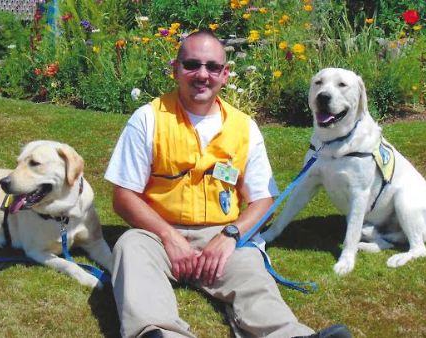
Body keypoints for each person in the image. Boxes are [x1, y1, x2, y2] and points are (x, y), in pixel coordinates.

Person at [104, 29, 351, 338]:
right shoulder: (147, 118)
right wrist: (168, 236)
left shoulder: (244, 127)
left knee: (251, 271)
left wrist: (231, 235)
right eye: (192, 64)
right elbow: (123, 196)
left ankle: (292, 335)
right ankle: (157, 332)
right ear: (175, 69)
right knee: (130, 248)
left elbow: (263, 200)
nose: (202, 74)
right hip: (157, 233)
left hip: (221, 235)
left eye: (212, 67)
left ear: (225, 74)